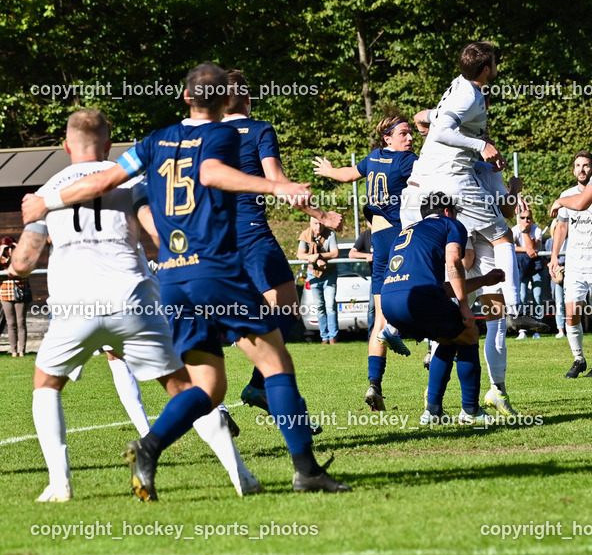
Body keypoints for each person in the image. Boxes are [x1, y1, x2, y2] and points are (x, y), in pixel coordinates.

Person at [22, 62, 348, 498]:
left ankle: (149, 446)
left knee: (209, 386)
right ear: (226, 99)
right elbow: (211, 173)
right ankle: (307, 471)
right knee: (275, 363)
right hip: (215, 267)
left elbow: (103, 179)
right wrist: (274, 188)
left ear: (185, 97)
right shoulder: (224, 135)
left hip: (174, 276)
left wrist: (47, 201)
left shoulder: (153, 142)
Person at [12, 108, 260, 501]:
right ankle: (241, 476)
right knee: (184, 389)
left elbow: (24, 264)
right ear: (109, 146)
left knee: (46, 383)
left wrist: (17, 259)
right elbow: (156, 231)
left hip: (75, 304)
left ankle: (60, 484)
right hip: (132, 297)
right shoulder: (131, 179)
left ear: (65, 147)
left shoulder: (47, 192)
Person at [221, 69, 343, 424]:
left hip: (213, 236)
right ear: (248, 98)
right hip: (250, 231)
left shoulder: (205, 134)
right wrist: (321, 213)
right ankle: (262, 383)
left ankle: (239, 389)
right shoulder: (259, 129)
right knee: (286, 308)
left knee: (238, 310)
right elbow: (277, 183)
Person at [401, 41, 546, 334]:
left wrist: (423, 117)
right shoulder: (470, 96)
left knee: (437, 258)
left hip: (421, 186)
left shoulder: (458, 86)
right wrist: (480, 145)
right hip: (453, 179)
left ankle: (418, 330)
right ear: (485, 69)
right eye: (494, 61)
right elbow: (443, 129)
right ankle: (516, 311)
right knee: (503, 237)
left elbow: (439, 119)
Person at [313, 114, 418, 410]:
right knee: (429, 293)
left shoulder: (374, 157)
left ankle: (375, 385)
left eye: (411, 134)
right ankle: (420, 343)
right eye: (404, 134)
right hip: (400, 240)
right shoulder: (407, 161)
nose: (410, 139)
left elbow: (348, 175)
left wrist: (330, 170)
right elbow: (435, 174)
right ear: (387, 138)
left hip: (378, 243)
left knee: (380, 319)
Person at [380, 193, 503, 424]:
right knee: (469, 333)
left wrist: (485, 280)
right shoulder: (450, 223)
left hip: (389, 302)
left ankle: (433, 411)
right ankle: (470, 410)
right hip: (418, 298)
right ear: (447, 211)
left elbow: (439, 288)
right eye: (455, 212)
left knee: (449, 338)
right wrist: (465, 306)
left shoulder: (410, 231)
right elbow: (454, 260)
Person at [549, 150, 592, 377]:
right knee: (571, 312)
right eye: (578, 165)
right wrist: (554, 256)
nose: (581, 169)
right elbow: (561, 228)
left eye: (586, 165)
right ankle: (579, 359)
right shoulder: (567, 194)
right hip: (575, 263)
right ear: (573, 169)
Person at [298, 217, 340, 344]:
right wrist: (316, 259)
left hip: (330, 273)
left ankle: (333, 337)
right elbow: (300, 255)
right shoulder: (305, 235)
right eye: (316, 224)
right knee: (320, 306)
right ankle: (324, 337)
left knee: (330, 305)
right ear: (311, 223)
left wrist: (320, 255)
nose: (318, 227)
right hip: (313, 274)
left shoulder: (330, 234)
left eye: (321, 224)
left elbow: (335, 253)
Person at [512, 207, 544, 338]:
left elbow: (533, 248)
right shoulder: (514, 230)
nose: (526, 220)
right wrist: (526, 249)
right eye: (523, 218)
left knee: (538, 298)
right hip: (522, 266)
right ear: (519, 219)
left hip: (536, 266)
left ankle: (538, 329)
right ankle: (523, 330)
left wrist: (525, 232)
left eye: (529, 218)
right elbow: (513, 248)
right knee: (522, 297)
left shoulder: (537, 230)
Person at [0, 236, 30, 356]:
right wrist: (2, 251)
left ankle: (22, 350)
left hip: (21, 292)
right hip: (5, 293)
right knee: (11, 322)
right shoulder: (2, 259)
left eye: (11, 247)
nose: (10, 249)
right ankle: (13, 351)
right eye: (8, 248)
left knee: (21, 322)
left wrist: (18, 250)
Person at [544, 234, 566, 338]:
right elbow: (546, 259)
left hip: (570, 271)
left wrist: (566, 267)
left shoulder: (571, 239)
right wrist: (553, 267)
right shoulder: (549, 241)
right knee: (559, 302)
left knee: (573, 302)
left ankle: (572, 327)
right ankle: (561, 329)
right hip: (556, 273)